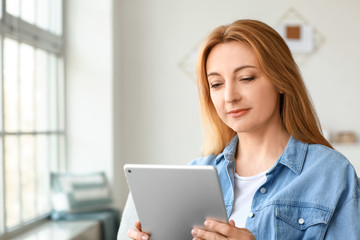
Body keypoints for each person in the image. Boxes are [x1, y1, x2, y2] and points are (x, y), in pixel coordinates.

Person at [127, 19, 360, 240]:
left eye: (246, 78)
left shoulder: (331, 174)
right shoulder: (194, 174)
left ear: (281, 80)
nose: (229, 97)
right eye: (216, 84)